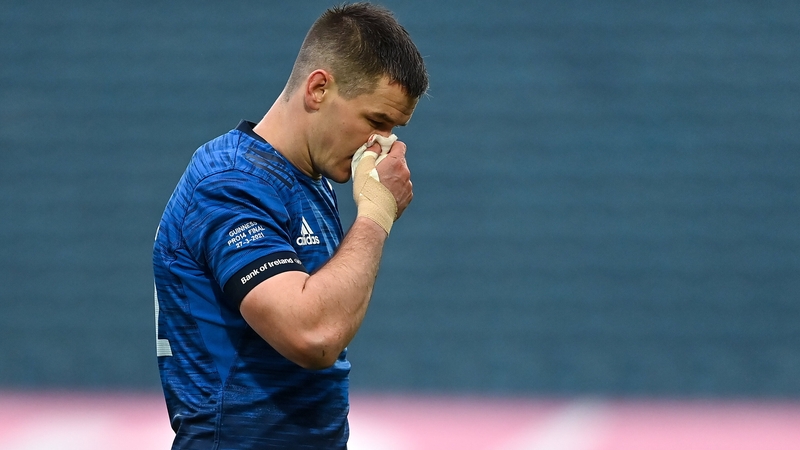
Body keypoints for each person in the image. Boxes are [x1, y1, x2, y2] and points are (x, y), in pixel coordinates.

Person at [152, 2, 428, 449]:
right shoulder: (231, 183)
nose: (382, 145)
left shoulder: (308, 182)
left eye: (393, 129)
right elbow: (313, 335)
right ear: (318, 89)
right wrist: (376, 214)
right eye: (376, 121)